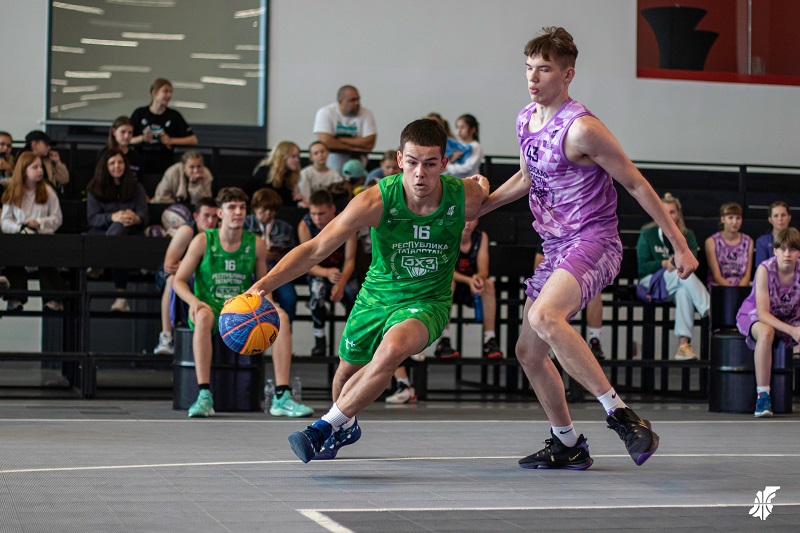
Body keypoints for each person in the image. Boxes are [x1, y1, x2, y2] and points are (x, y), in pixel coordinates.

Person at [476, 27, 699, 470]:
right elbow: (527, 177)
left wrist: (678, 243)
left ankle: (622, 415)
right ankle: (567, 443)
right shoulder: (525, 119)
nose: (532, 77)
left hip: (594, 241)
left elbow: (636, 183)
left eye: (544, 69)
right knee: (528, 352)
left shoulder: (582, 129)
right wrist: (481, 208)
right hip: (556, 246)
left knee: (544, 316)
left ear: (567, 74)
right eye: (528, 68)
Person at [244, 118, 488, 463]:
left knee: (392, 349)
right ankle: (344, 426)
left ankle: (322, 427)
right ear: (400, 159)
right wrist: (262, 285)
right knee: (345, 375)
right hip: (375, 297)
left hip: (427, 301)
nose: (420, 173)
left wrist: (486, 184)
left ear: (444, 163)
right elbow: (315, 249)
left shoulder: (463, 195)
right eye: (413, 162)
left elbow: (505, 192)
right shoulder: (375, 200)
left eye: (430, 164)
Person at [172, 187, 313, 419]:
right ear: (220, 213)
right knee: (203, 316)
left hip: (243, 308)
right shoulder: (203, 241)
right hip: (210, 306)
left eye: (242, 207)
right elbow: (178, 280)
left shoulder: (256, 243)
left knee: (282, 317)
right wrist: (194, 302)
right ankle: (204, 395)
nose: (238, 212)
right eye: (231, 208)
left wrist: (271, 306)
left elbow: (263, 282)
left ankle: (281, 396)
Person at [735, 227, 800, 417]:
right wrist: (793, 331)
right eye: (783, 249)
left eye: (792, 249)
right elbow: (763, 313)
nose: (787, 254)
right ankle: (763, 396)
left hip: (788, 315)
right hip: (755, 314)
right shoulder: (765, 269)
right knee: (766, 332)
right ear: (775, 250)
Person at [636, 193, 710, 360]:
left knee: (683, 291)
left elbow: (691, 263)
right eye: (665, 212)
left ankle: (683, 347)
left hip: (677, 282)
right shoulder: (648, 234)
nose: (669, 216)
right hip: (651, 282)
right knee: (681, 277)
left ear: (679, 214)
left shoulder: (687, 235)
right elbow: (643, 267)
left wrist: (675, 265)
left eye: (673, 212)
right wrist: (664, 264)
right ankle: (710, 309)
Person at [153, 197, 219, 355]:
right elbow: (169, 266)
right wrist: (192, 264)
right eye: (206, 216)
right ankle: (166, 336)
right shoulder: (187, 231)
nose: (211, 221)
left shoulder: (220, 232)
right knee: (172, 281)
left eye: (214, 216)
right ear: (196, 217)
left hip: (202, 275)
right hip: (169, 275)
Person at [86, 149, 149, 312]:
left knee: (120, 230)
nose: (117, 166)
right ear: (105, 166)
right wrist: (113, 217)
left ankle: (100, 262)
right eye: (112, 163)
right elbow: (93, 219)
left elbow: (143, 215)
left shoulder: (136, 188)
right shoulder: (94, 188)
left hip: (129, 233)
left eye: (120, 162)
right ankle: (121, 297)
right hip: (100, 233)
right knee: (117, 233)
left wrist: (135, 218)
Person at [1, 152, 64, 312]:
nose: (40, 170)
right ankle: (15, 299)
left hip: (42, 239)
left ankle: (53, 300)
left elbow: (57, 218)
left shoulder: (48, 191)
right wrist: (19, 228)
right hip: (20, 239)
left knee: (47, 257)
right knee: (13, 258)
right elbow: (5, 221)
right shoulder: (12, 191)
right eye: (35, 167)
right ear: (24, 171)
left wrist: (39, 222)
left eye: (40, 167)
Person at [299, 189, 359, 357]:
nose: (317, 219)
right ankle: (319, 339)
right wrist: (325, 273)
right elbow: (305, 262)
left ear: (332, 209)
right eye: (313, 214)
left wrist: (341, 283)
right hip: (318, 270)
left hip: (342, 271)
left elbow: (350, 260)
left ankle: (353, 340)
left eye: (321, 214)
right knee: (317, 291)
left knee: (354, 294)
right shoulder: (305, 225)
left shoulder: (346, 222)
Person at [433, 217, 502, 359]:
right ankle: (444, 340)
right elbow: (445, 270)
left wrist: (478, 279)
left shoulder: (481, 237)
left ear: (477, 221)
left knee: (488, 285)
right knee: (448, 283)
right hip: (451, 285)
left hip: (471, 287)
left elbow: (483, 269)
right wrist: (469, 280)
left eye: (472, 219)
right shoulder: (447, 235)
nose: (468, 223)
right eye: (465, 218)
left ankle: (489, 340)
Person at [534, 246, 606, 359]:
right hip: (558, 281)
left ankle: (594, 341)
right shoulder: (553, 239)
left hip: (580, 275)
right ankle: (550, 345)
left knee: (594, 291)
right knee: (546, 293)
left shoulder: (587, 241)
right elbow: (539, 268)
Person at [244, 187, 298, 323]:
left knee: (289, 298)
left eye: (272, 210)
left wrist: (279, 256)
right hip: (250, 271)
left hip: (277, 271)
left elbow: (293, 253)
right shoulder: (245, 224)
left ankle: (284, 327)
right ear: (255, 208)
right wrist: (261, 253)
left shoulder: (285, 228)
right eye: (264, 210)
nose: (268, 213)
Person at [130, 78, 198, 175]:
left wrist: (171, 140)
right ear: (154, 93)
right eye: (166, 91)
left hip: (164, 167)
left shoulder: (174, 116)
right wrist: (142, 138)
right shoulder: (140, 113)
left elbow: (193, 140)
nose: (169, 95)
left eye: (171, 92)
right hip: (141, 165)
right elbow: (127, 140)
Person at [313, 85, 377, 174]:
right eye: (352, 100)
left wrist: (340, 139)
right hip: (332, 167)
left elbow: (369, 143)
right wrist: (355, 147)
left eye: (358, 99)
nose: (357, 103)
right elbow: (325, 142)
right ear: (340, 102)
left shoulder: (367, 113)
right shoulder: (325, 113)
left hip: (358, 166)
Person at [705, 202, 754, 288]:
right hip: (719, 287)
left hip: (742, 286)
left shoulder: (748, 241)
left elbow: (747, 275)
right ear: (723, 219)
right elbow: (717, 276)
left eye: (738, 218)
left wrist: (739, 291)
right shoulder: (711, 242)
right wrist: (732, 291)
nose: (735, 222)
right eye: (730, 218)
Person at [248, 141, 301, 206]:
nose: (297, 160)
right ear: (282, 157)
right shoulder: (265, 172)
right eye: (293, 156)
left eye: (298, 156)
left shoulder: (287, 175)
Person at [755, 201, 792, 267]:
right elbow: (761, 267)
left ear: (789, 218)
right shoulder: (762, 241)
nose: (780, 219)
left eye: (783, 215)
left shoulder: (797, 240)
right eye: (776, 216)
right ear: (770, 219)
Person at [445, 114, 483, 179]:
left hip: (469, 181)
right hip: (455, 180)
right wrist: (451, 160)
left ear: (473, 129)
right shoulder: (457, 145)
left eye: (463, 127)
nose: (459, 130)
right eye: (457, 127)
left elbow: (468, 168)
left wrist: (447, 167)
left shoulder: (475, 146)